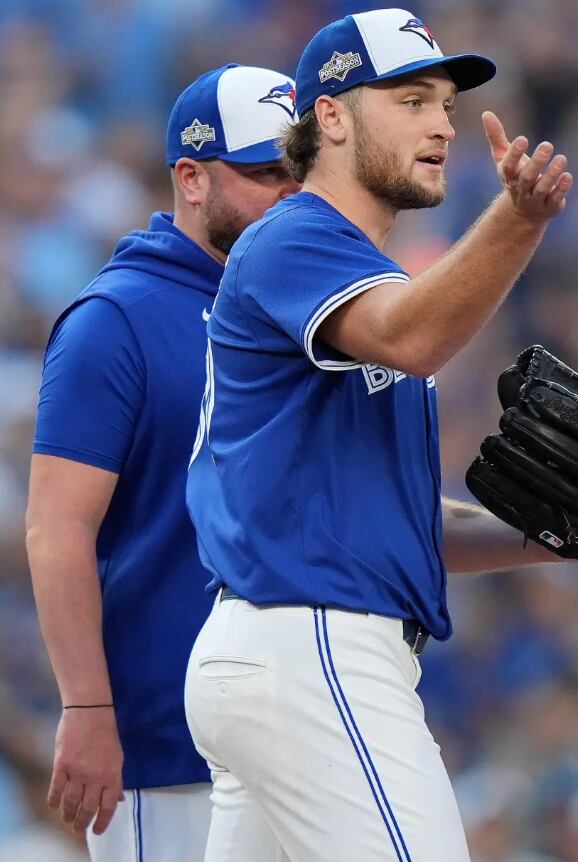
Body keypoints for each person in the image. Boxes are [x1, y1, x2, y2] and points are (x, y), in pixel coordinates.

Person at [183, 9, 578, 860]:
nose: (442, 124)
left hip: (281, 648)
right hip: (315, 644)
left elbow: (396, 521)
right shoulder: (295, 237)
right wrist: (517, 219)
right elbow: (413, 337)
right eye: (410, 100)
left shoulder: (356, 271)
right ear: (329, 116)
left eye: (444, 103)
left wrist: (543, 535)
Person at [26, 64, 299, 861]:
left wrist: (538, 536)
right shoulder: (117, 318)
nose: (289, 192)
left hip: (297, 729)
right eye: (264, 173)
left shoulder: (300, 314)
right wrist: (87, 709)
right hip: (167, 746)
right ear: (191, 178)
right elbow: (56, 527)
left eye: (300, 170)